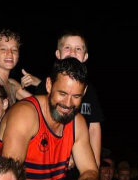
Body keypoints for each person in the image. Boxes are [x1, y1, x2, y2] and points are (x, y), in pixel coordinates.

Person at [0, 58, 99, 180]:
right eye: (62, 94)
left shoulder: (77, 123)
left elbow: (90, 170)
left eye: (76, 96)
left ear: (84, 93)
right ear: (49, 85)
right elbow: (8, 177)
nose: (67, 103)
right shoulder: (26, 114)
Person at [22, 31, 105, 166]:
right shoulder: (46, 86)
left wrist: (95, 164)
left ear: (85, 56)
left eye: (78, 49)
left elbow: (94, 128)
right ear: (58, 54)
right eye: (67, 47)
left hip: (81, 159)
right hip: (52, 160)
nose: (72, 52)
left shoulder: (90, 90)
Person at [0, 29, 29, 107]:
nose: (10, 53)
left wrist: (38, 83)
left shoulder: (13, 84)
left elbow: (40, 105)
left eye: (14, 50)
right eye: (3, 49)